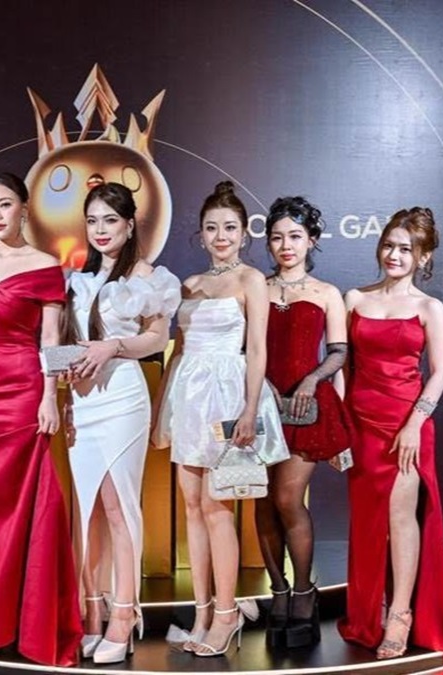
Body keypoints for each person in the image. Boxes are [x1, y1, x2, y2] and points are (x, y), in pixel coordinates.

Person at [0, 173, 82, 667]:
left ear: (24, 208)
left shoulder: (45, 265)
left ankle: (29, 623)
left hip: (23, 389)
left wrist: (50, 396)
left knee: (29, 505)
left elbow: (53, 341)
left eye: (5, 205)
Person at [152, 181, 288, 657]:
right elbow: (178, 351)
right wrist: (162, 410)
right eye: (212, 228)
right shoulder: (189, 284)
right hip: (189, 396)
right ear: (201, 233)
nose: (221, 236)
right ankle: (203, 612)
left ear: (244, 233)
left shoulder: (252, 280)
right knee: (191, 506)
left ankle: (228, 615)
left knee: (217, 506)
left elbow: (258, 350)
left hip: (228, 398)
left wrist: (249, 410)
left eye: (229, 227)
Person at [337, 207, 443, 662]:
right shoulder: (355, 298)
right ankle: (368, 611)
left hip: (406, 428)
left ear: (423, 256)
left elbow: (441, 371)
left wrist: (414, 424)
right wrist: (340, 429)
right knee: (367, 522)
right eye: (388, 246)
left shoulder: (430, 308)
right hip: (360, 426)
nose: (394, 255)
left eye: (405, 249)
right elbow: (344, 368)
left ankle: (400, 615)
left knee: (400, 517)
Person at [65, 182, 180, 664]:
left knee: (117, 505)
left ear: (130, 225)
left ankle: (125, 613)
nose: (100, 229)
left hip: (123, 396)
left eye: (110, 220)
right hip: (81, 400)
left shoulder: (148, 277)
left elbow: (157, 338)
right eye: (92, 220)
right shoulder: (77, 278)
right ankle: (92, 609)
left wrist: (113, 346)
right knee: (87, 509)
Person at [255, 196, 351, 649]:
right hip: (259, 405)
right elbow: (242, 346)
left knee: (287, 498)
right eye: (277, 237)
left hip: (305, 408)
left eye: (295, 236)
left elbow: (339, 351)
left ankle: (304, 592)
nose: (286, 245)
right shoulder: (256, 287)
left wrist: (313, 379)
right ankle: (278, 593)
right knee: (262, 503)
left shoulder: (327, 292)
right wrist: (260, 386)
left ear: (311, 240)